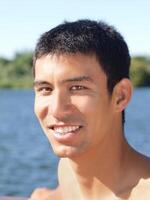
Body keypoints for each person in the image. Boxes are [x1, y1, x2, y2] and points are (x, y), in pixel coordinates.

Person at [29, 19, 150, 200]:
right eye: (46, 89)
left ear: (120, 96)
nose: (56, 110)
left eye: (77, 88)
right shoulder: (68, 169)